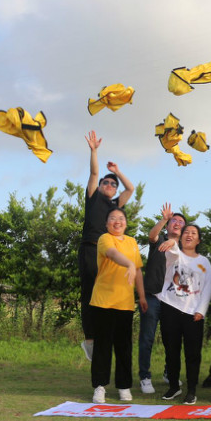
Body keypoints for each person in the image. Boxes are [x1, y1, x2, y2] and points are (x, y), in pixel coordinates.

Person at [79, 131, 134, 362]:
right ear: (100, 186)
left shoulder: (115, 206)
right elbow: (94, 172)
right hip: (91, 249)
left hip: (110, 254)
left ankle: (106, 336)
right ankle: (90, 339)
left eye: (113, 183)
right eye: (107, 182)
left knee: (110, 291)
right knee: (90, 291)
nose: (110, 184)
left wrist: (119, 171)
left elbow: (130, 189)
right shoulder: (93, 197)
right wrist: (94, 151)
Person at [90, 208, 147, 404]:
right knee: (102, 346)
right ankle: (99, 386)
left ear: (126, 223)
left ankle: (124, 386)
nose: (117, 221)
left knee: (124, 347)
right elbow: (113, 254)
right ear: (107, 224)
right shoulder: (105, 239)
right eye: (112, 218)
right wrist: (128, 264)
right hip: (103, 300)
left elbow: (138, 270)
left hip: (125, 302)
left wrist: (142, 296)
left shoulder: (131, 242)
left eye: (121, 218)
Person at [157, 222, 211, 405]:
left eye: (194, 233)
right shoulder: (174, 255)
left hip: (193, 313)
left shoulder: (204, 262)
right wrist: (172, 243)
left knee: (192, 354)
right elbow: (172, 251)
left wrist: (201, 311)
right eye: (186, 232)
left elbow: (207, 289)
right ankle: (174, 386)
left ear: (199, 239)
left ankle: (191, 390)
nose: (189, 235)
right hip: (170, 307)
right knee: (171, 351)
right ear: (180, 237)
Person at [138, 204, 186, 394]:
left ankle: (169, 372)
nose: (177, 223)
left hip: (173, 300)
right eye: (174, 220)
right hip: (152, 296)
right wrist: (164, 219)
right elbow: (151, 235)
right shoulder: (158, 241)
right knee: (147, 338)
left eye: (181, 222)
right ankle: (145, 376)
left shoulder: (185, 248)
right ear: (168, 226)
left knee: (172, 340)